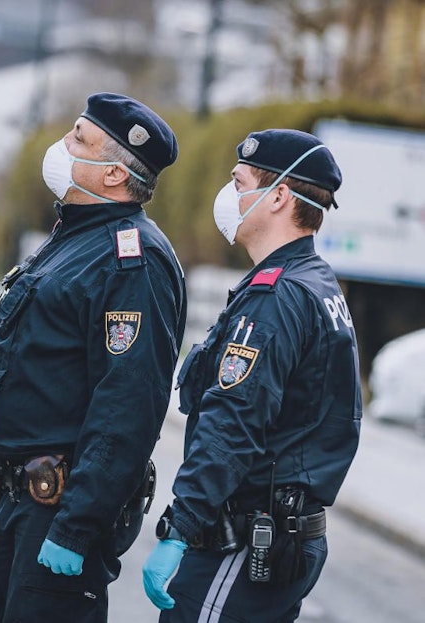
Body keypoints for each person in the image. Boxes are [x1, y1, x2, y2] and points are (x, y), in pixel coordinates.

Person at [0, 92, 187, 623]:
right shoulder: (73, 236)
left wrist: (77, 526)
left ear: (114, 174)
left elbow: (127, 405)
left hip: (53, 510)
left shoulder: (132, 260)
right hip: (4, 497)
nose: (63, 144)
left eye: (79, 138)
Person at [142, 129, 361, 622]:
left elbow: (234, 422)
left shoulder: (278, 297)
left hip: (244, 541)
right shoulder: (316, 283)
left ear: (279, 196)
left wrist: (180, 527)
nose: (229, 195)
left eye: (239, 182)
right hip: (283, 532)